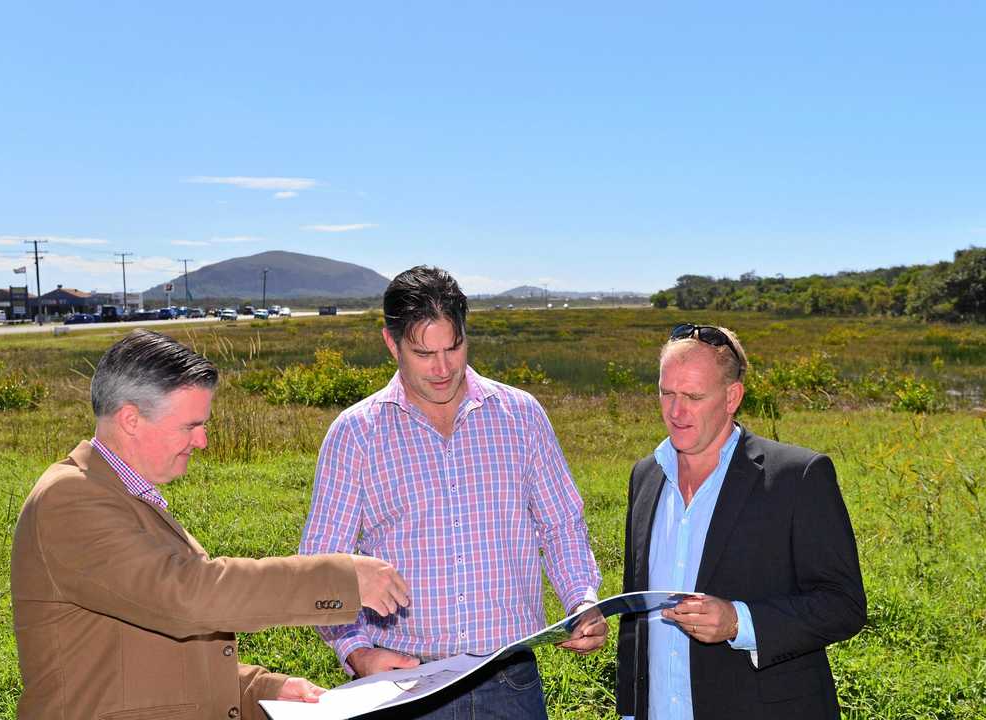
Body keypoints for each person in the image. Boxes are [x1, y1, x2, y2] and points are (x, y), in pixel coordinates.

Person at [11, 329, 411, 720]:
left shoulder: (125, 495)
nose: (202, 441)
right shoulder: (70, 499)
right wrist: (342, 578)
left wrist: (263, 691)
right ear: (130, 419)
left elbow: (146, 655)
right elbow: (186, 597)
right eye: (190, 425)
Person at [300, 265, 607, 719]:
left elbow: (561, 527)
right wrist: (356, 651)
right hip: (404, 684)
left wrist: (581, 601)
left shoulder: (521, 416)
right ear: (392, 343)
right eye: (424, 353)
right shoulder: (356, 434)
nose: (442, 368)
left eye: (454, 346)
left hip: (509, 679)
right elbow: (322, 563)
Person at [616, 324, 866, 719]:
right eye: (667, 393)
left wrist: (739, 621)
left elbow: (844, 604)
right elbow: (637, 615)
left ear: (732, 397)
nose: (676, 412)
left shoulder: (796, 477)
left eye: (694, 397)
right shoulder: (645, 476)